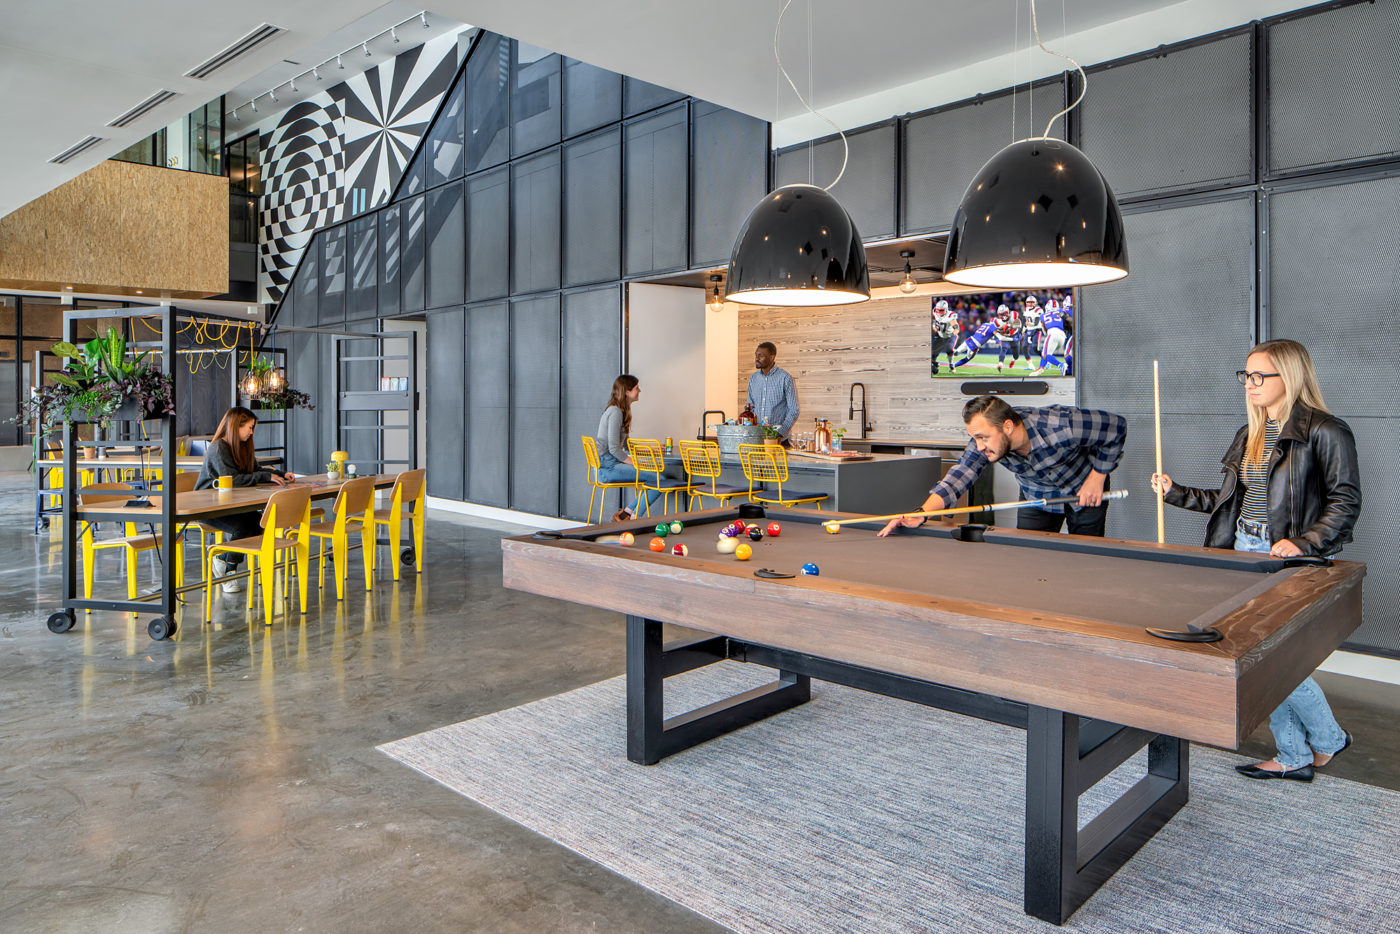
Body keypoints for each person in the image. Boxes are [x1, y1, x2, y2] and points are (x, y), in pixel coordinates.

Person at [1151, 339, 1360, 783]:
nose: (1250, 383)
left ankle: (1321, 741)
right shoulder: (1251, 432)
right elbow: (1229, 502)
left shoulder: (1326, 430)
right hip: (1243, 551)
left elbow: (1345, 502)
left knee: (1273, 660)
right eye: (1246, 375)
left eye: (1260, 375)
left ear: (1291, 376)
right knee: (1264, 658)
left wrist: (1304, 543)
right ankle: (1300, 751)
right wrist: (1174, 492)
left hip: (1286, 559)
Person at [879, 395, 1126, 538]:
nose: (979, 446)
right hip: (1036, 495)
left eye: (983, 437)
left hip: (1085, 489)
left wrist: (1097, 478)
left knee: (1085, 558)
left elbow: (1116, 427)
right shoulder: (984, 444)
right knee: (1029, 560)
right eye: (975, 438)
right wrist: (922, 512)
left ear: (1008, 427)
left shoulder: (1061, 425)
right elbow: (960, 475)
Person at [195, 406, 295, 592]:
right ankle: (228, 569)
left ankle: (223, 561)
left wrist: (280, 475)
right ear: (236, 426)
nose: (251, 432)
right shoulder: (219, 448)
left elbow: (255, 470)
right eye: (249, 427)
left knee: (259, 522)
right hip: (207, 506)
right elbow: (232, 480)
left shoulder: (242, 446)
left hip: (229, 504)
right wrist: (265, 476)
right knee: (243, 526)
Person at [595, 375, 684, 522]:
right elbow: (614, 449)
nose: (639, 391)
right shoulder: (615, 412)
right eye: (636, 388)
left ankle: (627, 514)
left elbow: (626, 445)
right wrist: (634, 462)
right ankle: (635, 518)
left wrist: (651, 449)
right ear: (627, 391)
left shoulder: (619, 411)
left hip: (608, 465)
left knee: (656, 478)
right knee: (659, 479)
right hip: (608, 468)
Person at [746, 342, 799, 442]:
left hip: (779, 441)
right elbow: (750, 408)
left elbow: (793, 410)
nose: (756, 358)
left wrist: (780, 433)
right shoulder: (753, 378)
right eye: (756, 355)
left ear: (772, 357)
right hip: (757, 439)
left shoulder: (785, 378)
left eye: (760, 355)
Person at [1030, 298, 1070, 376]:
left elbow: (1044, 329)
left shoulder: (1043, 315)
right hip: (1062, 336)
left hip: (1052, 333)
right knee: (1046, 353)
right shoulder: (1061, 311)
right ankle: (1041, 368)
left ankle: (1061, 365)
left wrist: (1046, 333)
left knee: (1045, 354)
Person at [930, 299, 960, 374]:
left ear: (946, 309)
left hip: (950, 336)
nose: (939, 312)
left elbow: (957, 329)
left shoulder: (950, 316)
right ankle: (934, 364)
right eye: (938, 310)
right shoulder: (934, 311)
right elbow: (933, 320)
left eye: (941, 310)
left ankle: (951, 365)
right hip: (940, 335)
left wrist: (951, 334)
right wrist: (933, 326)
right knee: (932, 354)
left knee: (949, 350)